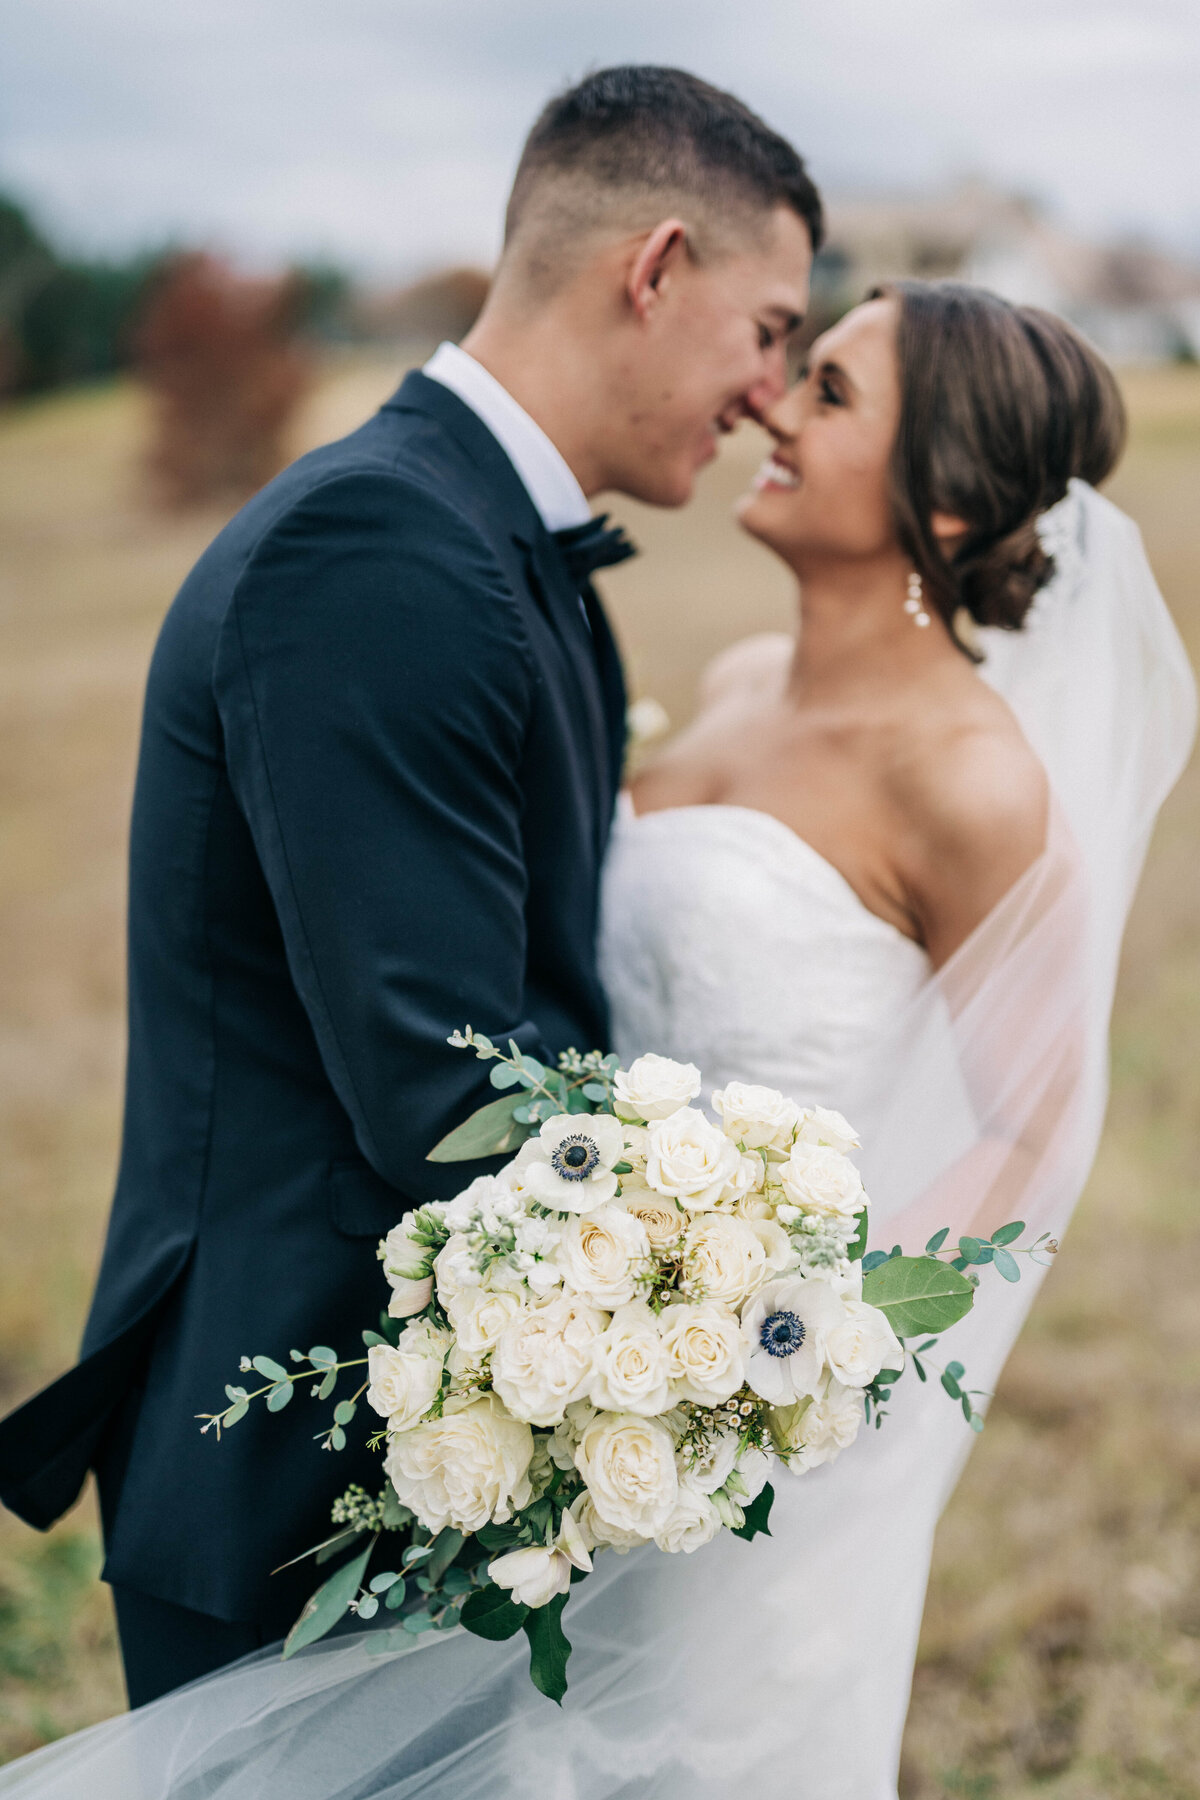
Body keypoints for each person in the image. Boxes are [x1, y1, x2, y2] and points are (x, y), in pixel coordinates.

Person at [0, 274, 1191, 1800]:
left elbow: (1030, 1132)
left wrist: (785, 1359)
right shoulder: (741, 686)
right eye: (793, 367)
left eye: (828, 395)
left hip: (722, 1401)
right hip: (576, 1349)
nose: (771, 401)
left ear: (949, 506)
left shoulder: (971, 783)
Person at [0, 65, 818, 1709]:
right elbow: (444, 1079)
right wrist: (753, 1291)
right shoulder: (377, 549)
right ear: (654, 270)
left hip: (431, 1465)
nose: (773, 394)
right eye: (773, 329)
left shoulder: (491, 543)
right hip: (307, 1482)